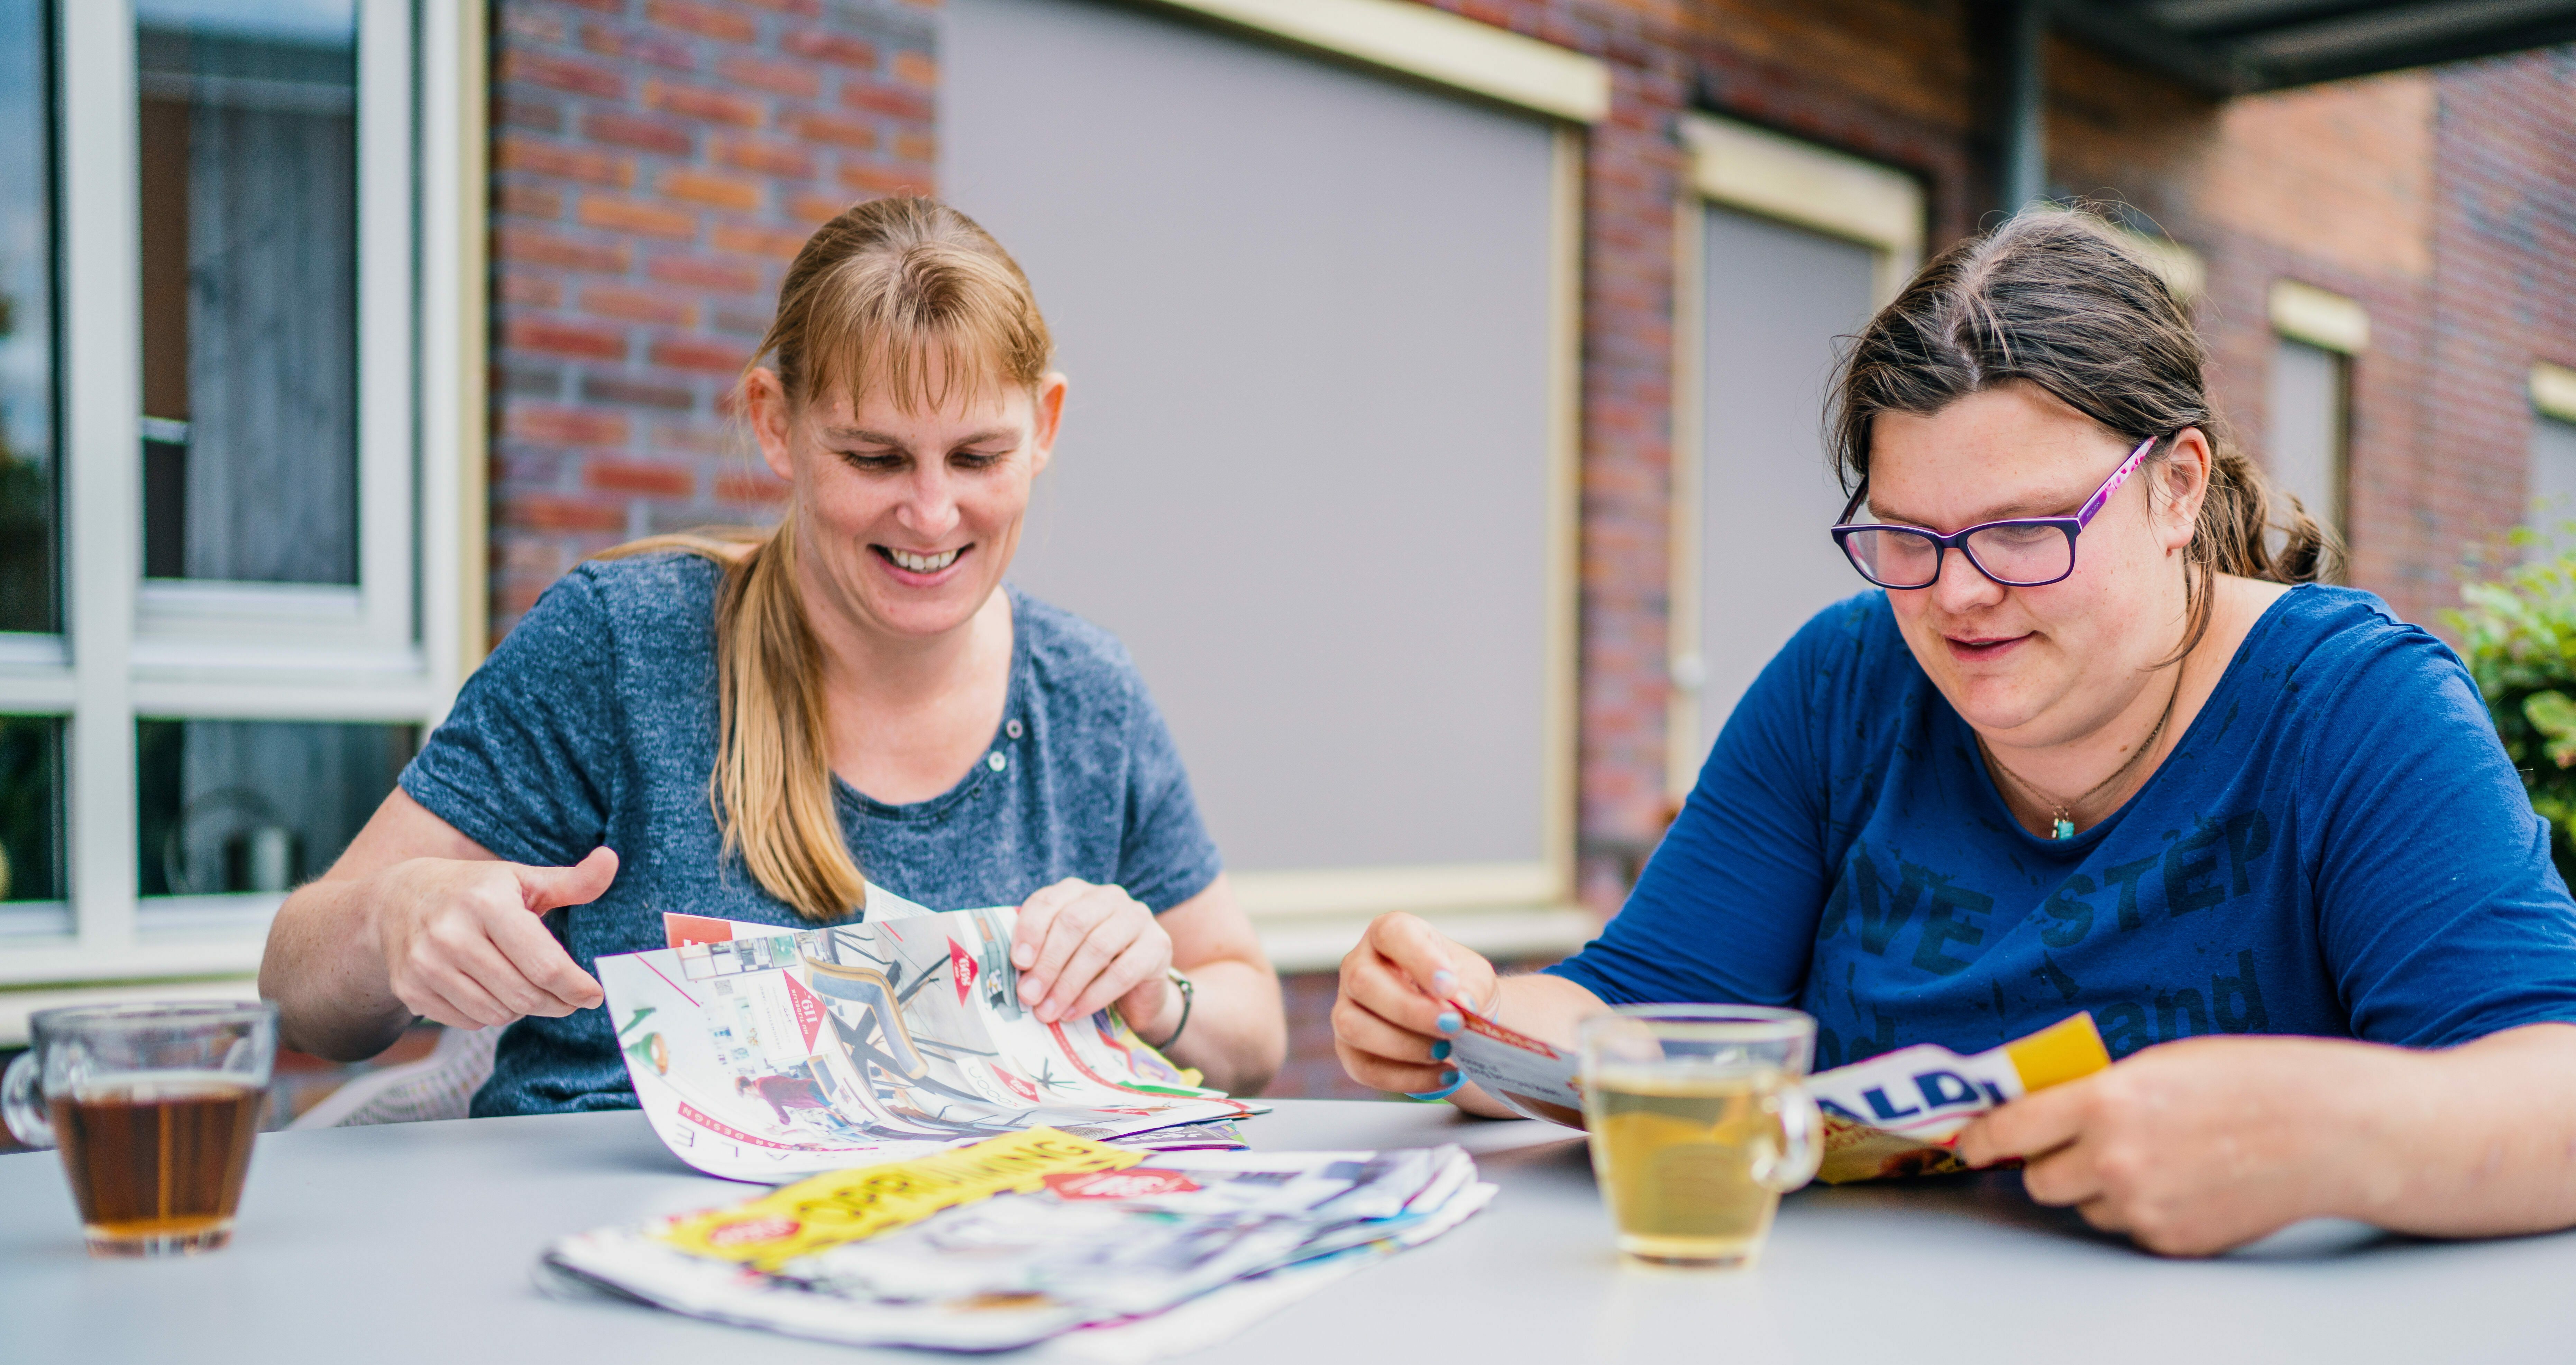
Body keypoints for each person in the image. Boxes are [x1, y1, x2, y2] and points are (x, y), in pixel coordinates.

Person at [1332, 208, 2576, 1256]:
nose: (1958, 594)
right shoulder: (1844, 682)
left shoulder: (2357, 709)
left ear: (2177, 489)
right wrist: (1464, 1023)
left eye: (2026, 530)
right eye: (1907, 539)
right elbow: (1643, 1009)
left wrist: (2331, 1136)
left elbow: (2552, 1083)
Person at [263, 196, 1285, 1110]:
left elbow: (1254, 1029)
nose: (932, 513)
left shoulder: (1087, 693)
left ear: (1047, 424)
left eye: (979, 456)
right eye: (873, 456)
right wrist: (392, 920)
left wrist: (1160, 992)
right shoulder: (622, 647)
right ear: (774, 425)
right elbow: (299, 994)